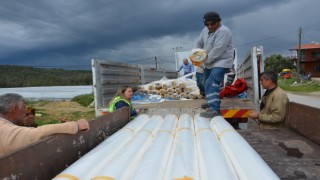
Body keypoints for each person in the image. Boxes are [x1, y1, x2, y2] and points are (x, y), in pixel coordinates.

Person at [0, 93, 90, 156]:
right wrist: (75, 126)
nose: (25, 113)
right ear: (14, 108)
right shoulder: (3, 128)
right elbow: (33, 134)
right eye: (24, 109)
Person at [194, 11, 234, 118]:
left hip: (222, 61)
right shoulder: (205, 30)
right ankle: (212, 101)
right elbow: (199, 43)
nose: (210, 26)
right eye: (207, 24)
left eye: (213, 24)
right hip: (209, 61)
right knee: (204, 82)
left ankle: (214, 109)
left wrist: (204, 60)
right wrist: (195, 53)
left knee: (211, 82)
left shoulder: (224, 31)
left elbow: (217, 50)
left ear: (219, 22)